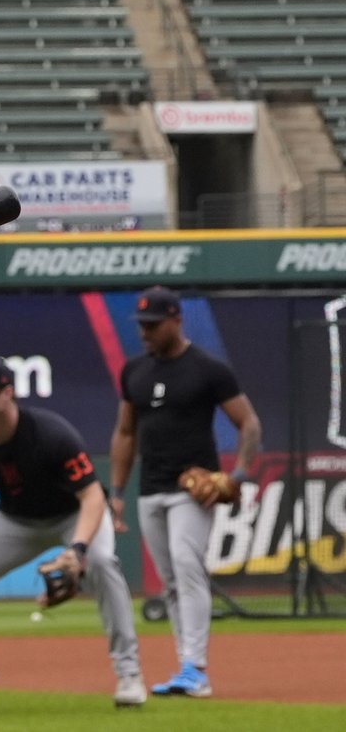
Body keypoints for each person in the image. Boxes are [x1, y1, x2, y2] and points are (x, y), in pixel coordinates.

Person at [0, 356, 145, 710]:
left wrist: (79, 549)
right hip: (18, 522)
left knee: (102, 562)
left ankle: (129, 674)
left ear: (7, 392)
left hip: (75, 514)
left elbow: (90, 497)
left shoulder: (50, 434)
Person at [109, 286, 262, 698]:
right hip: (150, 490)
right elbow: (125, 433)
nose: (145, 333)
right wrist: (118, 490)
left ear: (176, 320)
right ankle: (186, 666)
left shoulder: (208, 369)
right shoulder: (135, 370)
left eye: (153, 325)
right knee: (172, 582)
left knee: (186, 564)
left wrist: (239, 474)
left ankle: (195, 668)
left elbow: (248, 423)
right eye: (141, 325)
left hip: (194, 491)